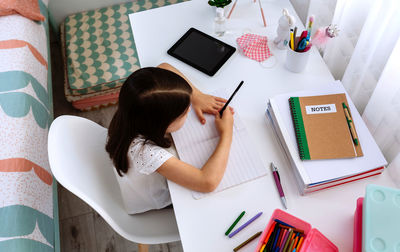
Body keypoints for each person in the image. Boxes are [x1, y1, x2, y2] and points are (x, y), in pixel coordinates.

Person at [105, 63, 234, 214]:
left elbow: (164, 66)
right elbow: (207, 182)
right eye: (184, 113)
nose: (190, 109)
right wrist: (227, 132)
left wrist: (196, 96)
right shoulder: (146, 153)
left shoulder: (133, 109)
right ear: (162, 124)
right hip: (153, 199)